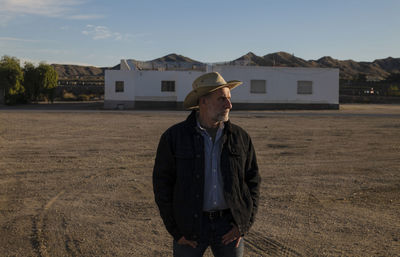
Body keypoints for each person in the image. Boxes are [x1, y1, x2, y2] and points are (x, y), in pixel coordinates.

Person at [153, 72, 261, 257]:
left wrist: (243, 224)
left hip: (228, 226)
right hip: (189, 227)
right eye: (222, 99)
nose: (229, 105)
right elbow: (162, 185)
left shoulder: (240, 137)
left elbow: (253, 181)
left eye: (229, 99)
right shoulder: (174, 137)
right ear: (203, 101)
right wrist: (176, 231)